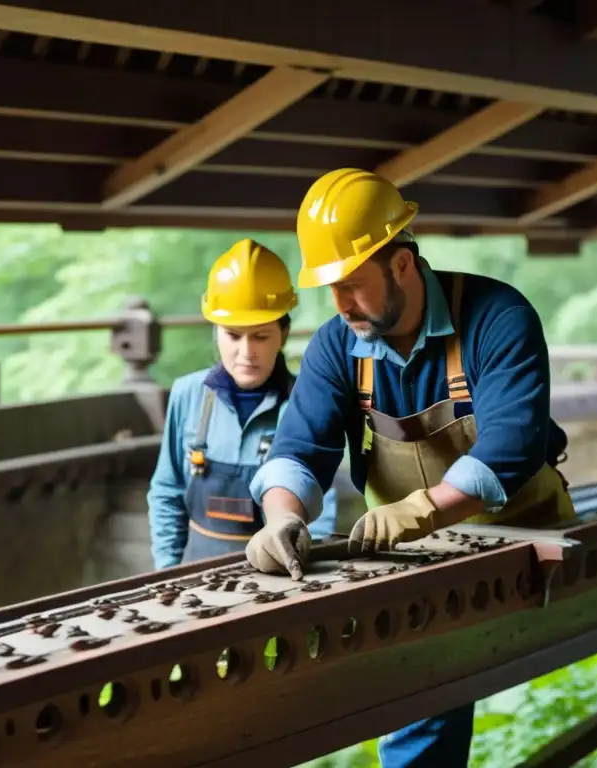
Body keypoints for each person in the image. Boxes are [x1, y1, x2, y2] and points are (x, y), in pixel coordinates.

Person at [244, 168, 577, 767]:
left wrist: (424, 508)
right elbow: (300, 446)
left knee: (431, 678)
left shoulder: (497, 316)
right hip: (411, 553)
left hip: (519, 532)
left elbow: (514, 439)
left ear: (401, 263)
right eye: (332, 288)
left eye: (353, 284)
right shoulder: (336, 346)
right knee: (422, 687)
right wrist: (280, 516)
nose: (341, 303)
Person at [146, 238, 342, 568]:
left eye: (261, 336)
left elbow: (322, 508)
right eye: (233, 336)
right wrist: (167, 573)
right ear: (216, 332)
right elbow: (166, 494)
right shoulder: (187, 395)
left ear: (284, 332)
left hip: (276, 574)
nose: (246, 352)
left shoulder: (305, 403)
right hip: (194, 575)